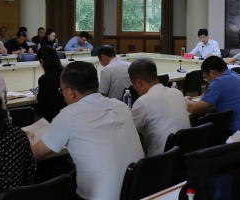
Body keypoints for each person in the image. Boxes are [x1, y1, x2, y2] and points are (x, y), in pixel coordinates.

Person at [30, 61, 144, 200]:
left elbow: (34, 155)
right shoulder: (121, 105)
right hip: (138, 191)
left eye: (62, 90)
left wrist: (28, 138)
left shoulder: (68, 115)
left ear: (71, 92)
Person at [185, 57, 240, 139]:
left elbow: (195, 109)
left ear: (212, 73)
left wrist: (185, 100)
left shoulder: (219, 82)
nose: (208, 81)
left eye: (206, 77)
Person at [129, 57, 190, 156]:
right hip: (186, 157)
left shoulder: (143, 102)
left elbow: (128, 129)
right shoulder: (177, 93)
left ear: (139, 83)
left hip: (162, 162)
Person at [34, 46, 66, 122]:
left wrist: (38, 98)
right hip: (67, 118)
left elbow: (41, 110)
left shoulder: (44, 79)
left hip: (51, 121)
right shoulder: (67, 73)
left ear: (42, 61)